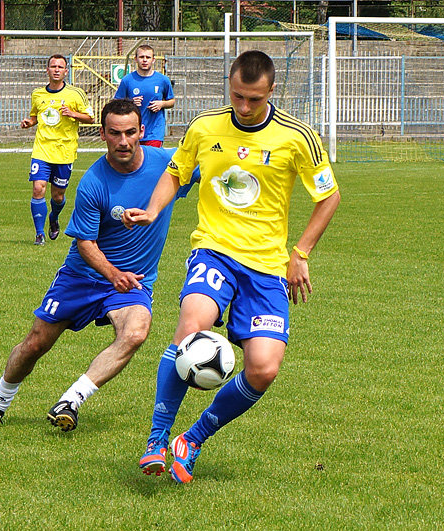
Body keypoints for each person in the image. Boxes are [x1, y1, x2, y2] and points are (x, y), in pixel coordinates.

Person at [122, 50, 341, 483]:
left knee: (264, 368)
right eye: (238, 96)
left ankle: (193, 438)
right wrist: (151, 210)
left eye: (253, 100)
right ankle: (156, 438)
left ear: (271, 91)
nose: (243, 106)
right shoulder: (205, 126)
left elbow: (328, 196)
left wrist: (301, 253)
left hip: (266, 267)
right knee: (191, 326)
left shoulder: (298, 137)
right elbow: (176, 172)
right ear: (230, 84)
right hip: (214, 250)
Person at [0, 99, 198, 431]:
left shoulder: (169, 166)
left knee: (135, 333)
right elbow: (84, 243)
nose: (124, 142)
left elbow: (215, 169)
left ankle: (71, 400)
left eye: (131, 133)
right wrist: (112, 273)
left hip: (132, 282)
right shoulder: (94, 182)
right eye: (115, 133)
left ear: (142, 132)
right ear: (103, 134)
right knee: (36, 343)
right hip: (83, 276)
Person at [21, 54, 95, 246]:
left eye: (60, 67)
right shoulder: (38, 94)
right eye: (53, 66)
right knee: (38, 188)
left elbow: (91, 118)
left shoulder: (75, 94)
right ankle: (39, 234)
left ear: (66, 71)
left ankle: (53, 217)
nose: (56, 69)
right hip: (42, 149)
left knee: (58, 195)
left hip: (65, 150)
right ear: (47, 70)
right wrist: (29, 122)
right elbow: (36, 115)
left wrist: (73, 114)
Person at [114, 44, 175, 148]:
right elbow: (116, 103)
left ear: (153, 60)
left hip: (155, 132)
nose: (145, 60)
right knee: (134, 162)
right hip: (133, 130)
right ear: (136, 59)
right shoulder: (127, 80)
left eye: (148, 57)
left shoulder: (163, 80)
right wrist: (130, 102)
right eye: (141, 57)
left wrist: (162, 104)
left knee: (151, 161)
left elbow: (172, 101)